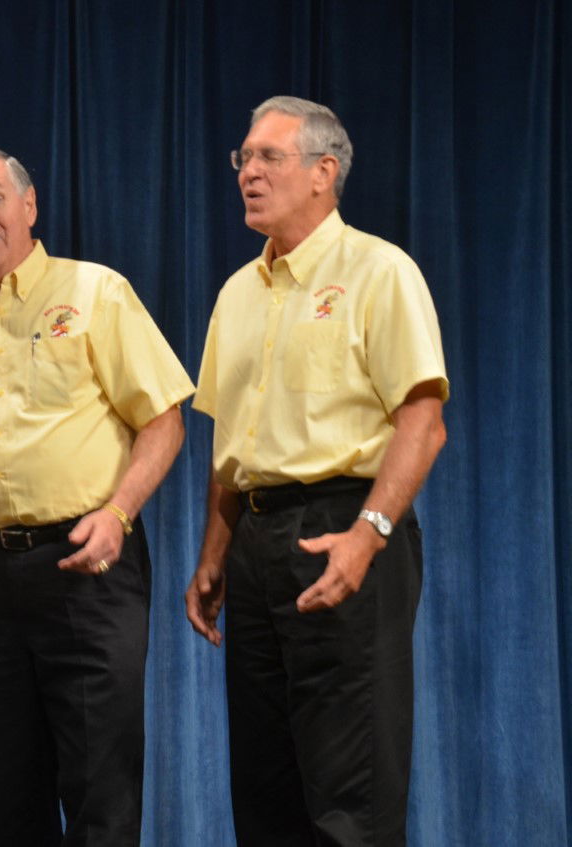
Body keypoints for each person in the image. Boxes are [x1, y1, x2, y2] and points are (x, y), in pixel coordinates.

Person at [0, 147, 194, 845]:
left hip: (87, 567)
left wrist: (118, 514)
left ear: (30, 206)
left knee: (99, 788)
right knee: (8, 792)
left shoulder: (96, 291)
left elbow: (164, 421)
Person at [185, 96, 449, 846]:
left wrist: (366, 538)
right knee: (266, 790)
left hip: (346, 526)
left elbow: (423, 423)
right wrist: (213, 554)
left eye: (269, 156)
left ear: (323, 173)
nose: (249, 172)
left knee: (350, 797)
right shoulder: (236, 292)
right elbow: (229, 444)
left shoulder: (378, 270)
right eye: (243, 158)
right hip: (257, 542)